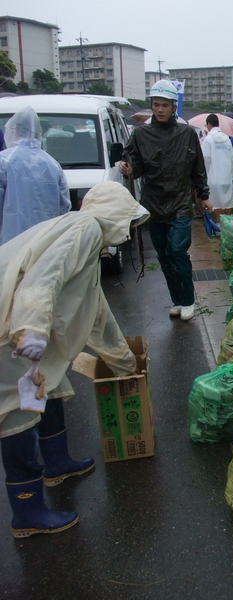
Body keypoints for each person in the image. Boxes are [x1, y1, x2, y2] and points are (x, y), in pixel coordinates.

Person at [0, 181, 146, 538]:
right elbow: (42, 278)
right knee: (16, 415)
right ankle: (28, 512)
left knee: (47, 384)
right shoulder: (83, 228)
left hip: (24, 333)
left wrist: (126, 363)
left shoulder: (90, 240)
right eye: (127, 221)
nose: (128, 232)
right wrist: (30, 329)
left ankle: (57, 464)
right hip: (12, 334)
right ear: (113, 213)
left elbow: (96, 313)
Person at [118, 79, 210, 322]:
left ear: (173, 107)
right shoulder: (140, 134)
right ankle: (177, 300)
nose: (159, 109)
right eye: (156, 105)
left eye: (164, 105)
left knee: (177, 250)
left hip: (180, 203)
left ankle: (189, 299)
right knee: (164, 255)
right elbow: (134, 166)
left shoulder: (187, 134)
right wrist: (128, 168)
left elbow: (198, 168)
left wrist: (204, 196)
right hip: (153, 204)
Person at [0, 107, 70, 244]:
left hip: (10, 243)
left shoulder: (4, 161)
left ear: (14, 130)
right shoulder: (53, 164)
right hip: (44, 245)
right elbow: (64, 208)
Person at [200, 114, 233, 220]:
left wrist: (204, 178)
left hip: (213, 178)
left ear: (209, 124)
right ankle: (226, 227)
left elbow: (205, 160)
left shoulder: (208, 139)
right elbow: (232, 158)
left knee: (215, 204)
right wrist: (231, 176)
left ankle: (218, 227)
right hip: (227, 177)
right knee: (227, 203)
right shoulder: (227, 138)